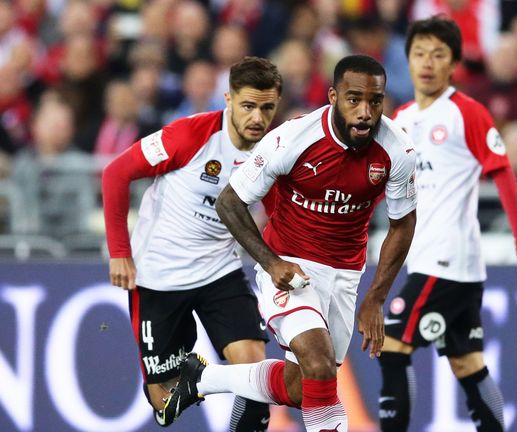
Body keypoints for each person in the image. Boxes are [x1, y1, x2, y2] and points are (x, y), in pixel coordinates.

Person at [161, 55, 417, 432]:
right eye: (353, 99)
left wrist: (376, 298)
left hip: (345, 274)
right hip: (289, 266)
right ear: (333, 96)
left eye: (374, 101)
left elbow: (402, 225)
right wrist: (271, 263)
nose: (365, 112)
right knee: (318, 363)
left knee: (304, 387)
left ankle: (203, 380)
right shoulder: (291, 139)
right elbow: (229, 201)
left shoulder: (398, 151)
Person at [378, 17, 517, 432]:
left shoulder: (466, 113)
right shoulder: (400, 117)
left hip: (447, 260)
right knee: (468, 363)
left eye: (439, 54)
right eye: (419, 54)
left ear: (454, 63)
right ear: (409, 59)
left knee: (390, 346)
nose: (427, 63)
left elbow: (503, 173)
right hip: (434, 263)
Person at [102, 56, 282, 430]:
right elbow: (116, 173)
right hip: (159, 276)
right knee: (165, 405)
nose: (258, 119)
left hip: (221, 271)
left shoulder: (275, 152)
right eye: (248, 106)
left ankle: (202, 380)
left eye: (267, 108)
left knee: (256, 378)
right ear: (228, 99)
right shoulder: (189, 135)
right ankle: (195, 383)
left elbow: (281, 215)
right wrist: (120, 253)